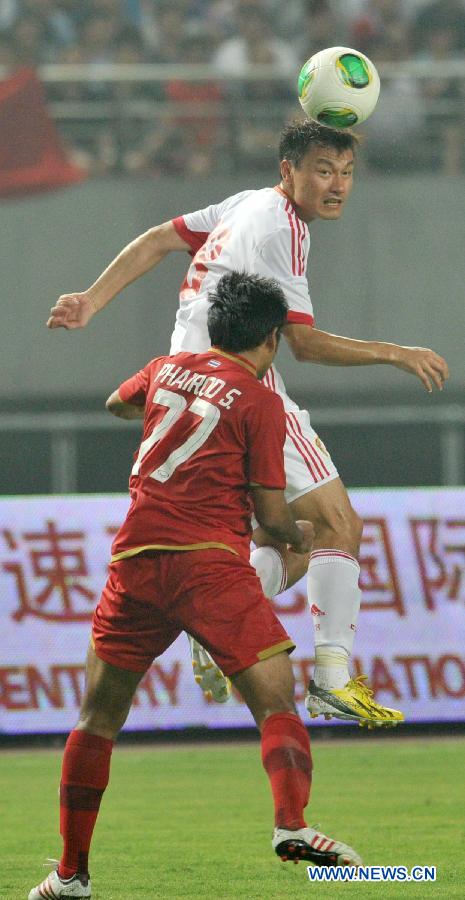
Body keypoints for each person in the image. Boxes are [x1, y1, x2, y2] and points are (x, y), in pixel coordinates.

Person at [47, 119, 449, 726]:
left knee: (287, 539)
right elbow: (304, 345)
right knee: (338, 523)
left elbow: (159, 238)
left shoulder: (245, 204)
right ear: (288, 171)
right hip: (242, 385)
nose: (337, 185)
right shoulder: (282, 226)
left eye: (346, 174)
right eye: (323, 171)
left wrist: (90, 301)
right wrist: (397, 353)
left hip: (179, 385)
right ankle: (333, 679)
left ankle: (219, 632)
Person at [29, 272, 362, 900]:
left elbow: (115, 403)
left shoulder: (166, 367)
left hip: (135, 559)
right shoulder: (261, 400)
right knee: (276, 702)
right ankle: (291, 825)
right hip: (208, 563)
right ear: (269, 339)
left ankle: (70, 874)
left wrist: (163, 412)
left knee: (97, 717)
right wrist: (303, 535)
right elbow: (268, 513)